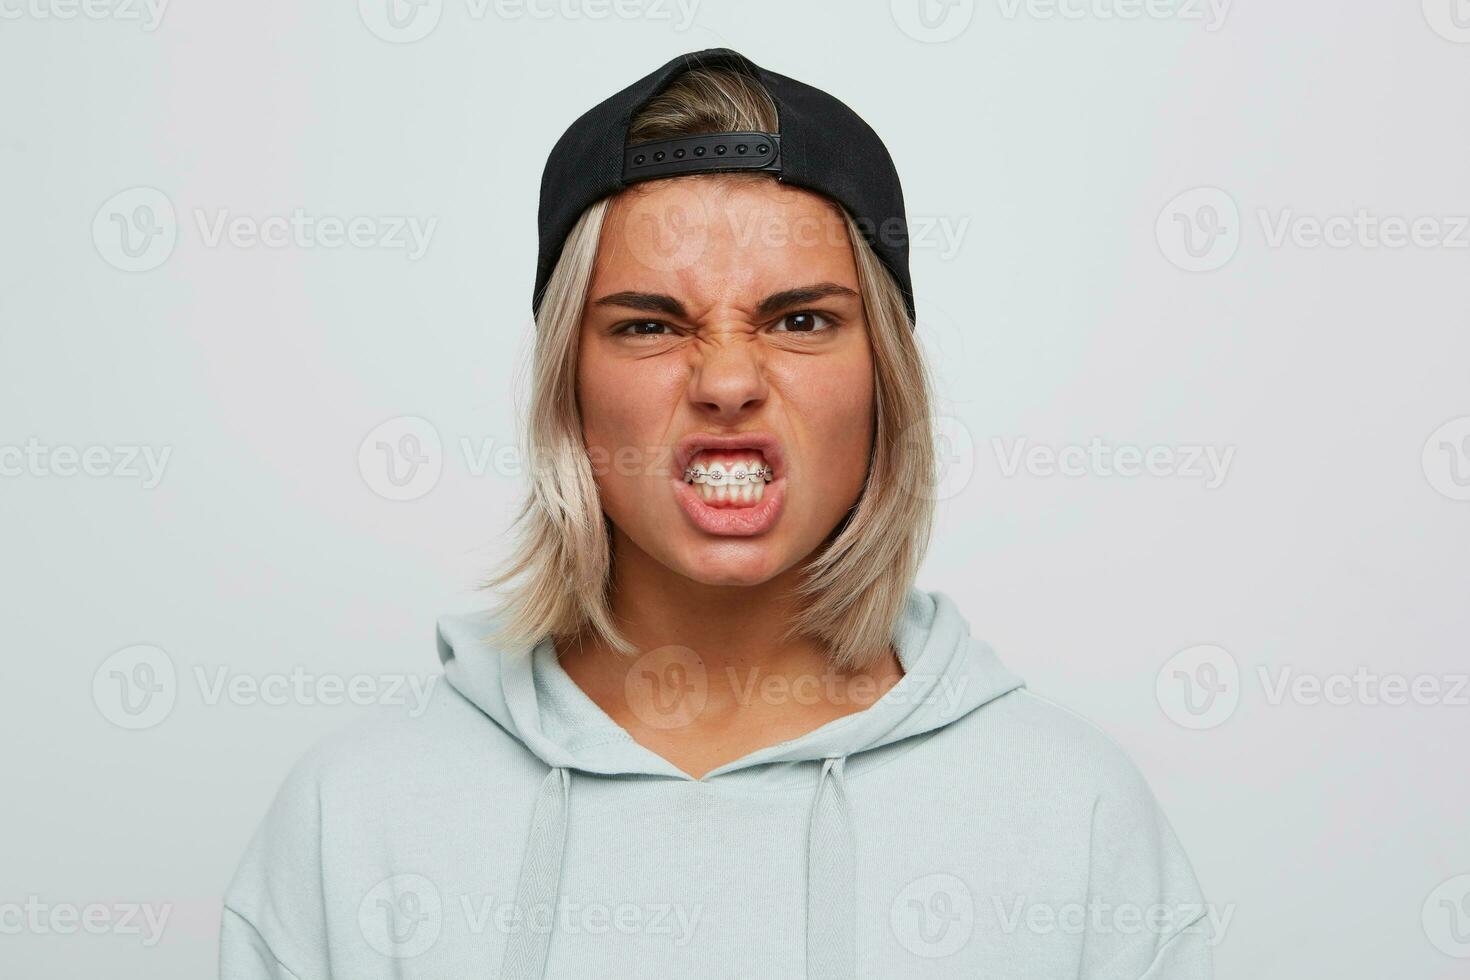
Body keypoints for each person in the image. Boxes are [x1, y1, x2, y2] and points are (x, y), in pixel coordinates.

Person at [220, 47, 1213, 979]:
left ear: (885, 381)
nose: (729, 378)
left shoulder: (1072, 816)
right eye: (650, 324)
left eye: (801, 319)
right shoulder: (354, 817)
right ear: (569, 381)